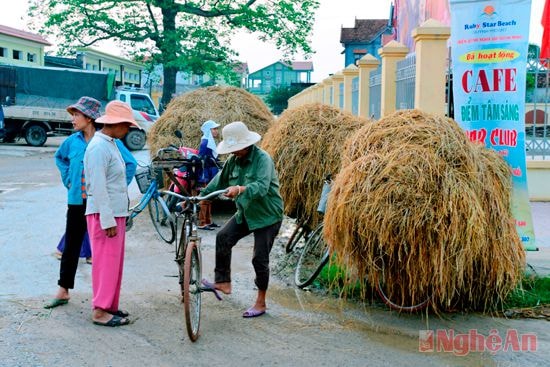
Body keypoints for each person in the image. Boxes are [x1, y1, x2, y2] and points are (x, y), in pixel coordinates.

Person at [45, 97, 136, 309]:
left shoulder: (110, 142)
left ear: (89, 118)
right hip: (78, 200)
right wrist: (69, 179)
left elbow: (129, 164)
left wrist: (117, 190)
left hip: (101, 203)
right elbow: (60, 159)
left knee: (102, 252)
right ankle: (63, 290)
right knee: (71, 245)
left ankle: (104, 300)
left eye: (76, 115)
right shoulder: (72, 141)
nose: (73, 119)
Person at [200, 121, 284, 318]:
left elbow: (262, 187)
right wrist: (200, 197)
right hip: (246, 213)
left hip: (267, 215)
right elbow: (218, 181)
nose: (234, 152)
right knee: (223, 237)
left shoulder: (263, 160)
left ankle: (261, 302)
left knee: (259, 259)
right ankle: (223, 282)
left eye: (237, 148)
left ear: (247, 143)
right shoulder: (232, 161)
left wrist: (240, 189)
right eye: (232, 149)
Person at [84, 101, 139, 327]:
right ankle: (100, 310)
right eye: (126, 125)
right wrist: (107, 219)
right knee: (105, 263)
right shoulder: (98, 147)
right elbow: (98, 188)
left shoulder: (110, 143)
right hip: (103, 214)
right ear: (115, 124)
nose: (128, 130)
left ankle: (109, 305)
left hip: (114, 213)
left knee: (114, 263)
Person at [197, 119, 221, 230]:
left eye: (216, 129)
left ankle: (208, 221)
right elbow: (201, 159)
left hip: (210, 172)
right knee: (205, 198)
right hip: (205, 173)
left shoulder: (209, 141)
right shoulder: (205, 142)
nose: (216, 131)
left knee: (210, 197)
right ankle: (202, 222)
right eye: (214, 129)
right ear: (208, 130)